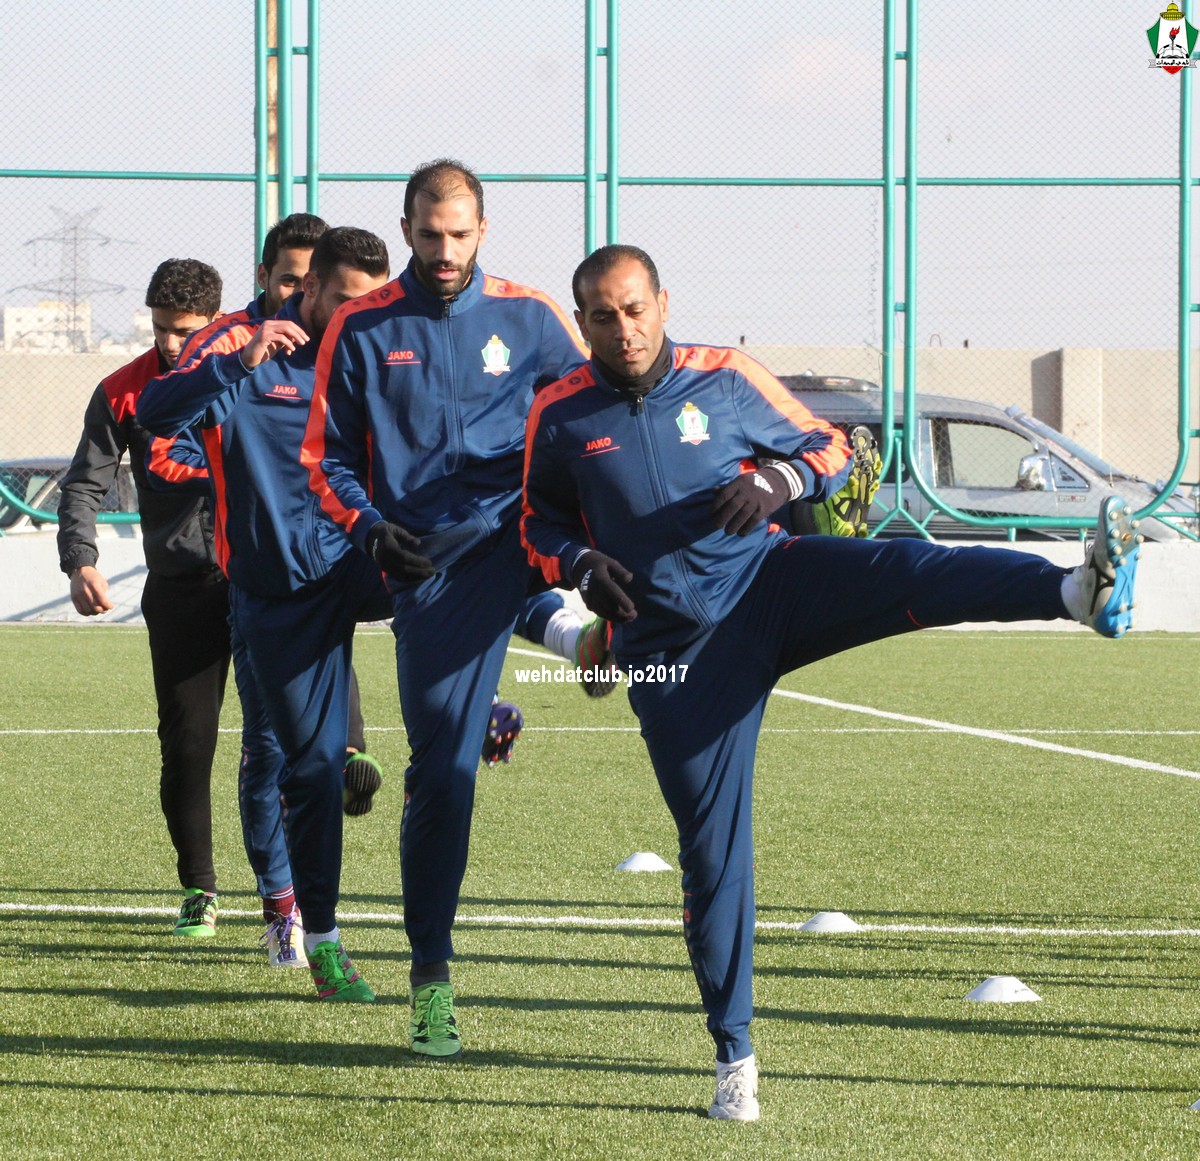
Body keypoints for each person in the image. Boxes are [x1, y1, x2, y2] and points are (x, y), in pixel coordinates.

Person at [520, 244, 1142, 1121]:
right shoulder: (558, 413)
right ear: (582, 321)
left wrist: (777, 479)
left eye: (634, 308)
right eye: (602, 315)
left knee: (906, 569)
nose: (623, 329)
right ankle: (734, 1054)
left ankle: (1074, 591)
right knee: (712, 854)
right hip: (669, 652)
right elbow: (534, 524)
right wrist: (578, 563)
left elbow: (833, 447)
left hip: (770, 585)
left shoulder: (725, 376)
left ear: (662, 302)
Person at [304, 159, 590, 1052]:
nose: (444, 250)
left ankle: (584, 634)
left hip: (521, 531)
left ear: (482, 230)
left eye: (459, 234)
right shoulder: (361, 327)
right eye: (429, 234)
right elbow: (323, 459)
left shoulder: (531, 316)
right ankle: (431, 974)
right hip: (431, 569)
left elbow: (592, 419)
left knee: (669, 651)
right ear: (406, 230)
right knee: (441, 774)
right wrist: (370, 529)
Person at [140, 227, 396, 987]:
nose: (345, 311)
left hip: (348, 566)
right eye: (294, 282)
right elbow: (157, 422)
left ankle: (519, 663)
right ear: (293, 283)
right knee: (278, 756)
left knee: (455, 575)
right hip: (267, 586)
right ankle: (290, 914)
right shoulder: (235, 347)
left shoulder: (368, 351)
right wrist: (235, 383)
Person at [56, 258, 231, 939]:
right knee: (187, 745)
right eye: (160, 328)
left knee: (285, 740)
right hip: (181, 589)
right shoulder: (123, 391)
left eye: (185, 331)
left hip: (261, 582)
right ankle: (199, 887)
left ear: (216, 323)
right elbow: (84, 483)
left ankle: (291, 893)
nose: (170, 343)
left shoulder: (255, 376)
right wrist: (81, 559)